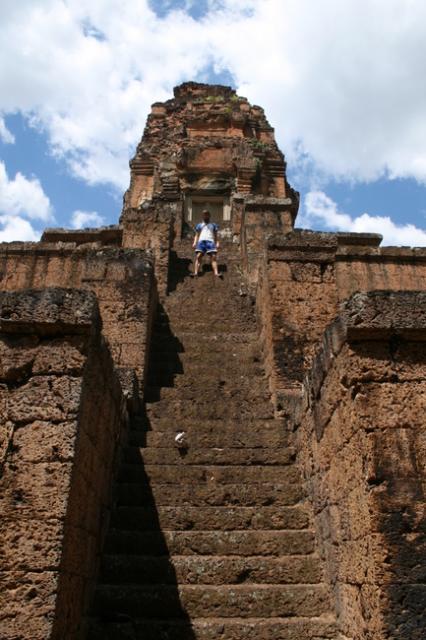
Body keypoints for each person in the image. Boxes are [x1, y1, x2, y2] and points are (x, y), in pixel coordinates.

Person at [192, 209, 221, 277]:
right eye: (204, 215)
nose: (206, 216)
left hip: (210, 241)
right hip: (201, 241)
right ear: (202, 216)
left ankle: (216, 273)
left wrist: (217, 242)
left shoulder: (213, 225)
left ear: (209, 216)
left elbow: (216, 235)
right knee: (198, 256)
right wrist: (194, 242)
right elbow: (196, 235)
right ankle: (196, 272)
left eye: (207, 214)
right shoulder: (199, 225)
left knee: (213, 257)